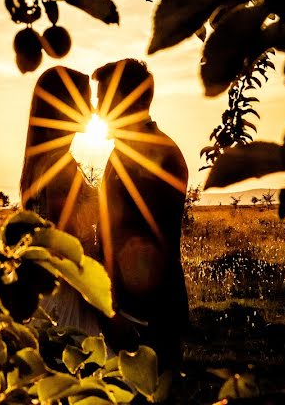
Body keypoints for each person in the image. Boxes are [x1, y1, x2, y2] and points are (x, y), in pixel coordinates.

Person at [93, 59, 189, 372]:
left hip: (146, 317)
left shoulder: (156, 156)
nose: (97, 110)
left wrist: (117, 312)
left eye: (102, 99)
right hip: (137, 314)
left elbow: (145, 244)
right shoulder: (129, 152)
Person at [19, 66, 102, 335]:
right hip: (67, 295)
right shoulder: (59, 167)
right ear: (65, 106)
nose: (92, 110)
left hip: (50, 290)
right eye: (86, 100)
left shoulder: (42, 160)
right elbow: (66, 244)